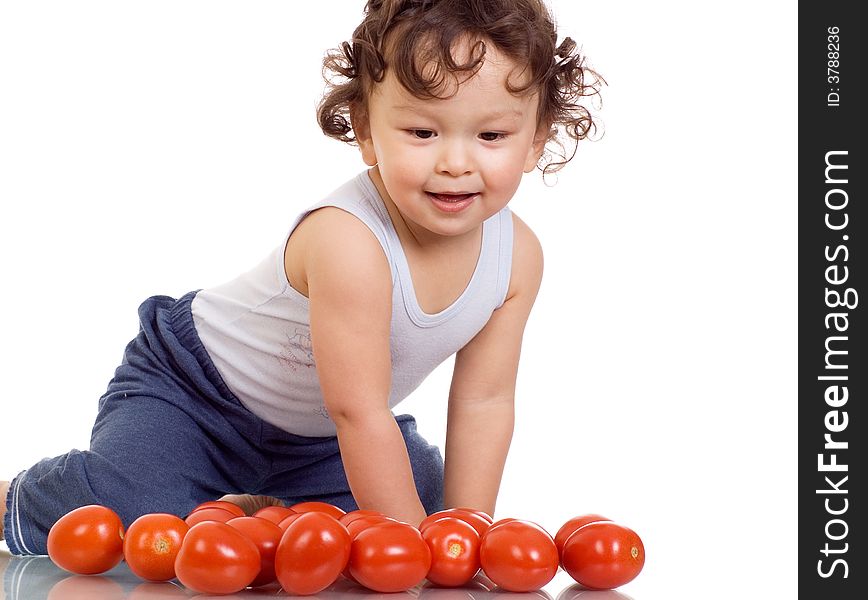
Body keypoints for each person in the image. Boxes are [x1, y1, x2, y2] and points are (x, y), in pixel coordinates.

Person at [1, 0, 602, 555]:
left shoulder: (516, 256)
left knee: (428, 492)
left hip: (316, 439)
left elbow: (484, 399)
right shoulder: (349, 240)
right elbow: (359, 412)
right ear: (365, 130)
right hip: (195, 396)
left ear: (535, 141)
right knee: (134, 517)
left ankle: (250, 504)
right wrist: (411, 556)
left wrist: (465, 539)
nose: (455, 162)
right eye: (422, 132)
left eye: (492, 136)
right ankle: (16, 500)